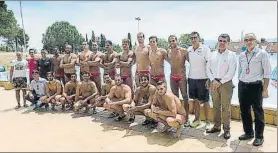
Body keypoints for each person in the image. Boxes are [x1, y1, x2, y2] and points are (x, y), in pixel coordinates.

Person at [238, 33, 271, 146]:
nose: (248, 41)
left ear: (255, 41)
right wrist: (239, 83)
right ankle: (248, 132)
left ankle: (259, 136)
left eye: (251, 39)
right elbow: (240, 71)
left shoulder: (262, 54)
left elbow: (267, 74)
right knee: (244, 111)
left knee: (258, 112)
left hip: (256, 86)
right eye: (246, 39)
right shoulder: (242, 55)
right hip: (243, 85)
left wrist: (265, 89)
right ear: (244, 41)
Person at [206, 34, 237, 139]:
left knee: (225, 107)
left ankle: (227, 130)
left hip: (226, 84)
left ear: (228, 42)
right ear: (218, 41)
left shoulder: (232, 55)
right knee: (215, 106)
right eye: (220, 40)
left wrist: (221, 81)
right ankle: (216, 126)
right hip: (213, 83)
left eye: (224, 41)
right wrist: (212, 80)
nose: (222, 43)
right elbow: (207, 69)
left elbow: (232, 71)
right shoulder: (212, 54)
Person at [187, 31, 211, 128]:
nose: (193, 40)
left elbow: (209, 63)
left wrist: (209, 78)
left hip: (203, 79)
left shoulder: (205, 49)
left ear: (199, 38)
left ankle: (208, 121)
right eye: (192, 38)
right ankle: (197, 120)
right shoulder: (189, 49)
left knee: (205, 101)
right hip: (192, 78)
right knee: (195, 100)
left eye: (195, 37)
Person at [167, 35, 190, 127]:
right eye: (170, 41)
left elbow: (193, 62)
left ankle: (187, 117)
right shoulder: (169, 51)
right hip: (172, 77)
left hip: (181, 77)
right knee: (175, 98)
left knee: (185, 97)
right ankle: (177, 116)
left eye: (173, 40)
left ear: (177, 41)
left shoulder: (184, 51)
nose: (172, 43)